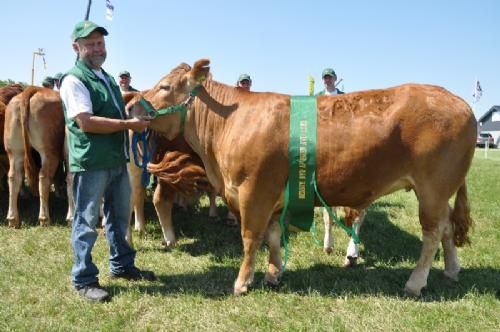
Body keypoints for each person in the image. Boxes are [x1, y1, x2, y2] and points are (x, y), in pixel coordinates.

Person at [59, 20, 155, 303]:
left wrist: (138, 120)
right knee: (87, 221)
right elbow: (86, 123)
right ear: (76, 48)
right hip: (90, 163)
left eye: (100, 43)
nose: (97, 48)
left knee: (119, 216)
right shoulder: (74, 79)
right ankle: (84, 279)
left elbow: (118, 115)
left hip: (116, 160)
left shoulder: (108, 78)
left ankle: (122, 265)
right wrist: (129, 126)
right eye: (90, 44)